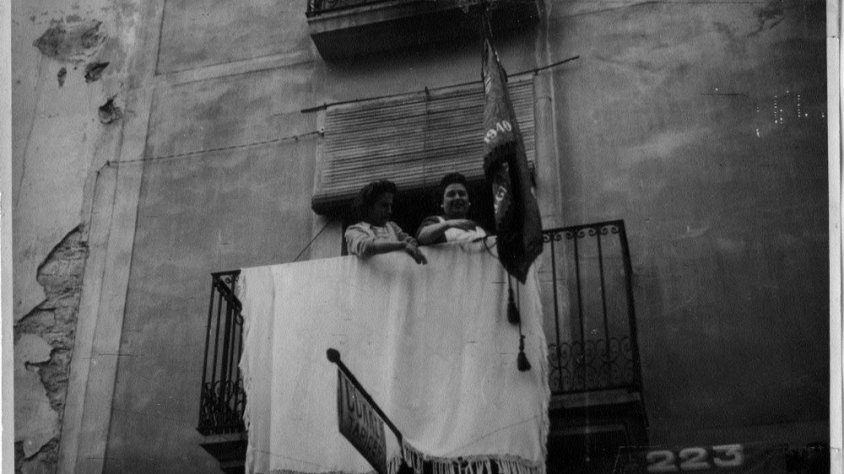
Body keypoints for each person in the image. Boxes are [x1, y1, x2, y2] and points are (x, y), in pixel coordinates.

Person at [344, 179, 427, 264]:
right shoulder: (354, 230)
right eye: (384, 206)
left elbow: (411, 242)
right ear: (368, 207)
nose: (389, 211)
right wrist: (402, 245)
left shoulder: (392, 226)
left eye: (390, 206)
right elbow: (365, 247)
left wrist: (411, 245)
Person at [416, 172, 487, 245]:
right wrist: (449, 224)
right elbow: (422, 237)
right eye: (451, 194)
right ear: (442, 203)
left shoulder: (480, 229)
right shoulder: (437, 222)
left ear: (469, 201)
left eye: (461, 194)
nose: (457, 197)